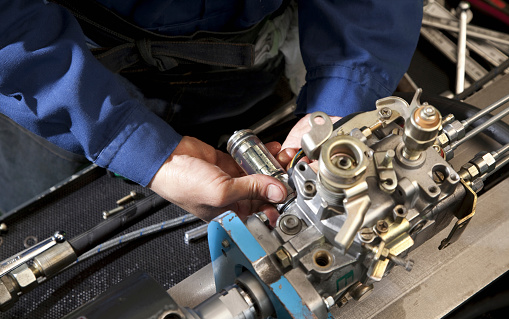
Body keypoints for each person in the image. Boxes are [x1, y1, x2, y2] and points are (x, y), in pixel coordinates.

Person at [0, 0, 423, 222]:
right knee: (46, 219)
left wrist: (340, 101)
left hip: (243, 73)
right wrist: (124, 139)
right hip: (60, 83)